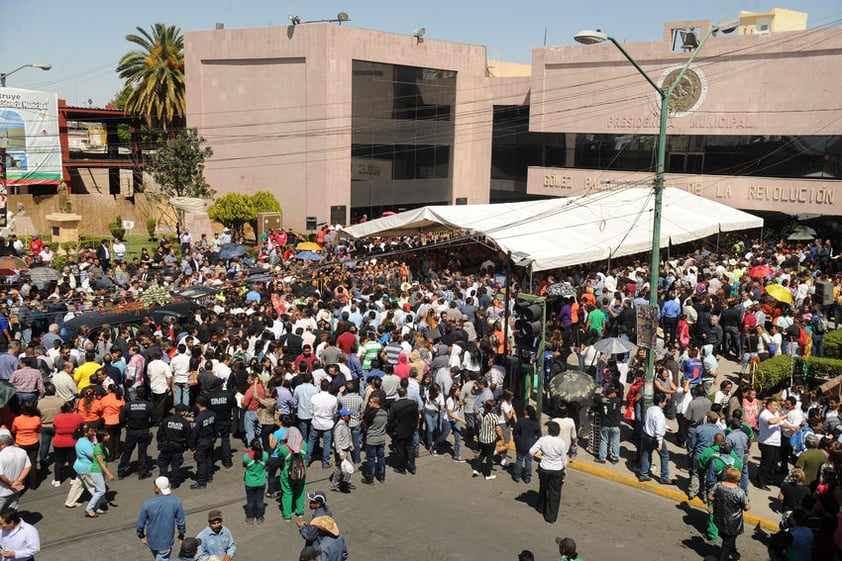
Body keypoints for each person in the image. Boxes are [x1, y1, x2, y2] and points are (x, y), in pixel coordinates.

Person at [136, 476, 186, 561]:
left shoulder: (148, 503)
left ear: (157, 489)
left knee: (159, 558)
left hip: (152, 540)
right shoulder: (176, 501)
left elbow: (140, 523)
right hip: (166, 541)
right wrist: (181, 534)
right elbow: (181, 522)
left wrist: (141, 535)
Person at [529, 420, 569, 523]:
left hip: (544, 468)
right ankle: (550, 516)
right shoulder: (561, 442)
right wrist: (565, 471)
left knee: (543, 488)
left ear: (549, 431)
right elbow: (564, 460)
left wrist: (541, 456)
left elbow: (531, 451)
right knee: (554, 493)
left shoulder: (543, 440)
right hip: (557, 470)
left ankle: (541, 507)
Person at [708, 467, 751, 561]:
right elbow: (747, 507)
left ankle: (734, 552)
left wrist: (720, 501)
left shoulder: (718, 485)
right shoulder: (739, 492)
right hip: (733, 522)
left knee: (727, 538)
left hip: (720, 518)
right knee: (727, 543)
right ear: (738, 479)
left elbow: (710, 497)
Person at [118, 386, 155, 480]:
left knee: (127, 451)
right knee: (142, 452)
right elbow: (155, 419)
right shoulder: (149, 405)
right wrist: (148, 425)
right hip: (143, 430)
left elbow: (121, 418)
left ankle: (121, 471)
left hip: (131, 431)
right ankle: (142, 472)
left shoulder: (128, 405)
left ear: (135, 394)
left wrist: (125, 425)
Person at [638, 392, 672, 485]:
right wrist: (660, 443)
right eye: (664, 401)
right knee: (664, 456)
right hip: (654, 438)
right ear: (661, 402)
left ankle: (643, 475)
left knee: (645, 454)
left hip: (646, 434)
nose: (665, 403)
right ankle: (664, 477)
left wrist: (666, 427)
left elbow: (652, 422)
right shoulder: (660, 415)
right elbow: (658, 430)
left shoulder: (650, 409)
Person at [64, 423, 97, 514]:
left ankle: (70, 502)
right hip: (86, 469)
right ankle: (99, 502)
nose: (93, 431)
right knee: (93, 486)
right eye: (91, 430)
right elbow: (93, 456)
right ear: (86, 433)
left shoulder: (81, 440)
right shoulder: (85, 444)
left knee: (78, 485)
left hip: (80, 467)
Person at [157, 404, 191, 488]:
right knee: (175, 465)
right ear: (182, 412)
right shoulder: (185, 423)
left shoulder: (166, 420)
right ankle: (174, 483)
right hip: (177, 447)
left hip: (165, 446)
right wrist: (187, 446)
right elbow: (188, 437)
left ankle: (162, 482)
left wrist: (160, 442)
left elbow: (159, 434)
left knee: (163, 464)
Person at [278, 427, 308, 521]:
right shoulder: (304, 445)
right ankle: (300, 512)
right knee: (300, 491)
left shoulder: (284, 448)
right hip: (301, 472)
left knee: (287, 492)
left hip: (288, 474)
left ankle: (287, 515)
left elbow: (279, 455)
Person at [189, 396, 216, 490]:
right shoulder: (212, 414)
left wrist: (191, 446)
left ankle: (201, 482)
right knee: (209, 459)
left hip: (201, 442)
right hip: (210, 440)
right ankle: (209, 476)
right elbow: (215, 428)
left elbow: (194, 433)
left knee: (201, 462)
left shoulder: (199, 419)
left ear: (198, 405)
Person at [472, 399, 503, 481]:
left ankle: (476, 469)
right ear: (492, 408)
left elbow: (477, 422)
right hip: (491, 440)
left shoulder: (481, 415)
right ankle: (488, 474)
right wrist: (502, 438)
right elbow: (498, 429)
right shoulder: (494, 417)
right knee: (489, 457)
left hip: (482, 439)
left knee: (482, 454)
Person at [87, 429, 115, 517]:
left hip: (100, 471)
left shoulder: (103, 446)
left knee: (98, 490)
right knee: (101, 490)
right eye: (106, 435)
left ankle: (96, 507)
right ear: (102, 437)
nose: (108, 436)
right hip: (96, 471)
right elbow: (101, 463)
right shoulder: (98, 448)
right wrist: (109, 474)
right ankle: (89, 508)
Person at [361, 395, 388, 485]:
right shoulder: (384, 412)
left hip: (371, 439)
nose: (369, 403)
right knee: (381, 458)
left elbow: (365, 424)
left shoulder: (371, 413)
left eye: (370, 402)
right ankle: (382, 476)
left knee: (371, 459)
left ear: (375, 403)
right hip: (381, 439)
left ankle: (370, 477)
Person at [0, 432, 30, 513]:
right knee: (11, 513)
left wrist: (11, 484)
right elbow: (28, 467)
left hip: (2, 491)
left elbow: (1, 475)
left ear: (3, 444)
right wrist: (19, 480)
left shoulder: (1, 455)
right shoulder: (22, 452)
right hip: (15, 490)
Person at [593, 384, 622, 464]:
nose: (616, 394)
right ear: (611, 394)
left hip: (605, 424)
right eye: (614, 392)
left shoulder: (602, 400)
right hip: (615, 425)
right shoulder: (618, 400)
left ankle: (602, 458)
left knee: (603, 440)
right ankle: (615, 458)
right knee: (615, 441)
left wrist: (602, 396)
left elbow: (595, 398)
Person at [512, 404, 540, 483]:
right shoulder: (535, 422)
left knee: (519, 459)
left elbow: (515, 431)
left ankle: (517, 476)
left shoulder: (520, 420)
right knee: (528, 460)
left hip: (520, 443)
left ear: (526, 412)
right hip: (530, 444)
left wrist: (516, 439)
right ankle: (527, 477)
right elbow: (538, 434)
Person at [243, 439, 268, 524]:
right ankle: (260, 517)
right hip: (261, 482)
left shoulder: (246, 457)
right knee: (260, 501)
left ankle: (250, 517)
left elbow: (244, 465)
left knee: (250, 501)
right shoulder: (265, 455)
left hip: (249, 482)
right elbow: (267, 464)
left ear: (251, 447)